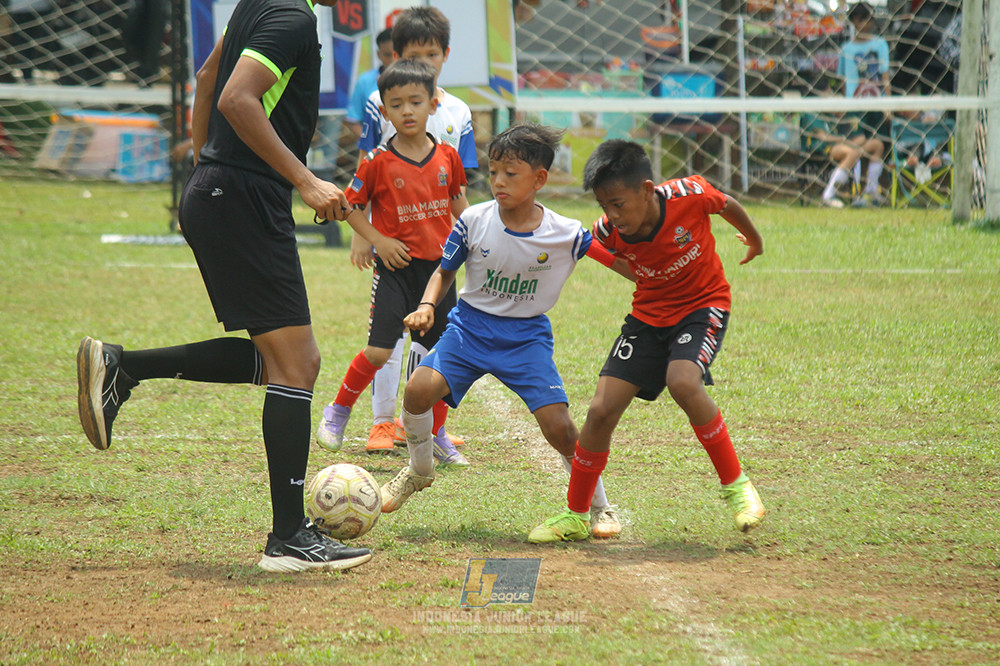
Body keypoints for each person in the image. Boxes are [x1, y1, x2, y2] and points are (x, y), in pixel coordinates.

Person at [76, 0, 372, 573]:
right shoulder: (294, 18)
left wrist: (204, 168)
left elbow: (210, 77)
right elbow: (235, 97)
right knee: (298, 365)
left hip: (224, 189)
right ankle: (288, 538)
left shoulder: (259, 4)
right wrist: (306, 180)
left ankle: (123, 366)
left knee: (277, 363)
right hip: (243, 196)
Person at [379, 123, 631, 542]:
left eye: (510, 174)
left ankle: (600, 506)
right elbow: (444, 272)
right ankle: (419, 471)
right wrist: (426, 306)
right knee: (417, 390)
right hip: (470, 329)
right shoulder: (473, 220)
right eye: (493, 172)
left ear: (540, 179)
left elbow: (623, 266)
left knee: (561, 428)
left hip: (526, 338)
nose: (498, 182)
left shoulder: (566, 233)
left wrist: (662, 275)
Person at [528, 139, 766, 543]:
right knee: (601, 410)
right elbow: (604, 253)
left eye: (618, 203)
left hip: (702, 305)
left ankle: (739, 488)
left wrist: (754, 239)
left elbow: (725, 204)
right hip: (648, 317)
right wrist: (642, 275)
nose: (611, 215)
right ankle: (576, 514)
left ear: (647, 189)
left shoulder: (689, 195)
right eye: (604, 205)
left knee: (684, 382)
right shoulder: (608, 230)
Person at [318, 5, 478, 456]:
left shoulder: (447, 150)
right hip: (396, 265)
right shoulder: (377, 159)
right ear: (384, 108)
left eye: (416, 102)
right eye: (397, 104)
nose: (407, 111)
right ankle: (344, 412)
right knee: (379, 351)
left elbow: (459, 202)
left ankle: (435, 434)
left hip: (438, 271)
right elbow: (350, 202)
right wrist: (374, 239)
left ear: (433, 103)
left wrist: (480, 241)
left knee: (441, 359)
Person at [799, 74, 885, 208]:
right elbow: (823, 137)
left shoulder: (830, 110)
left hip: (840, 144)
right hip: (823, 148)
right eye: (829, 90)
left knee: (877, 145)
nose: (831, 93)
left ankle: (871, 191)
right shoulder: (812, 111)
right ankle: (829, 194)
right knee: (852, 153)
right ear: (821, 92)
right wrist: (842, 139)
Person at [836, 1, 890, 206]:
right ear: (854, 22)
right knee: (857, 146)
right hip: (855, 106)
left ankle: (871, 190)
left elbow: (885, 76)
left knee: (880, 146)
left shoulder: (880, 44)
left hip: (876, 104)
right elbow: (843, 81)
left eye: (867, 19)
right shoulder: (846, 49)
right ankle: (855, 193)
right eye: (860, 20)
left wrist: (888, 103)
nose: (864, 24)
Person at [343, 28, 394, 143]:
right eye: (387, 55)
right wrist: (372, 145)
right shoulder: (365, 81)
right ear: (378, 54)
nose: (393, 60)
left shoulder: (417, 81)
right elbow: (353, 120)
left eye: (397, 54)